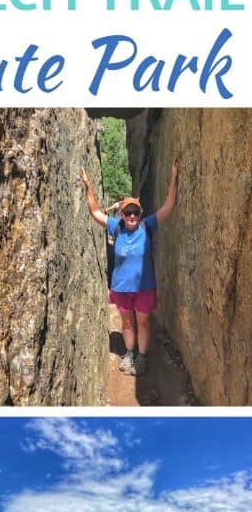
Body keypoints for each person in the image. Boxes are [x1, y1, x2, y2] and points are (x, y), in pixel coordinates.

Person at [79, 160, 180, 376]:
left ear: (140, 214)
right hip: (122, 286)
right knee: (127, 322)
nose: (131, 216)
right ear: (122, 215)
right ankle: (128, 352)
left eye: (135, 212)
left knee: (142, 323)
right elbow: (96, 213)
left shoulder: (147, 226)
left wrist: (174, 178)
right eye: (127, 213)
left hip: (144, 286)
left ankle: (141, 357)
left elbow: (168, 207)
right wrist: (88, 186)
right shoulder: (117, 228)